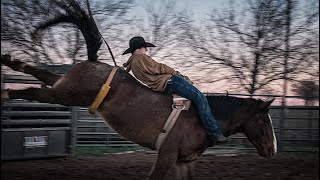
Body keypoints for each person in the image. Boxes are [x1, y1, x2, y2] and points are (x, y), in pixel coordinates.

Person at [122, 36, 228, 143]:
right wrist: (176, 73)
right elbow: (158, 67)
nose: (146, 50)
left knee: (191, 101)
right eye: (145, 48)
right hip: (171, 81)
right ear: (138, 49)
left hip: (162, 87)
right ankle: (215, 133)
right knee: (200, 98)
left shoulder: (133, 64)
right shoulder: (140, 58)